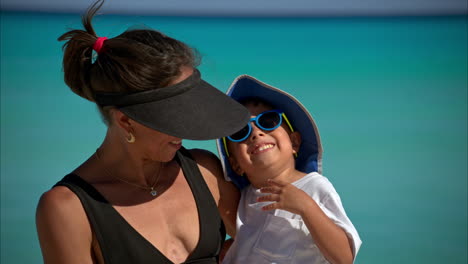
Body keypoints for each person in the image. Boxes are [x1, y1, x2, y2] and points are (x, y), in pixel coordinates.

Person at [35, 0, 251, 263]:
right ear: (125, 122)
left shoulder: (205, 171)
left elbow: (268, 241)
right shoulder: (67, 208)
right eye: (172, 117)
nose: (185, 128)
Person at [215, 75, 362, 264]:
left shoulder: (314, 187)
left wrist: (306, 207)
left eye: (267, 121)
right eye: (240, 132)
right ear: (236, 165)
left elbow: (344, 257)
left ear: (294, 142)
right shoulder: (243, 199)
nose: (255, 133)